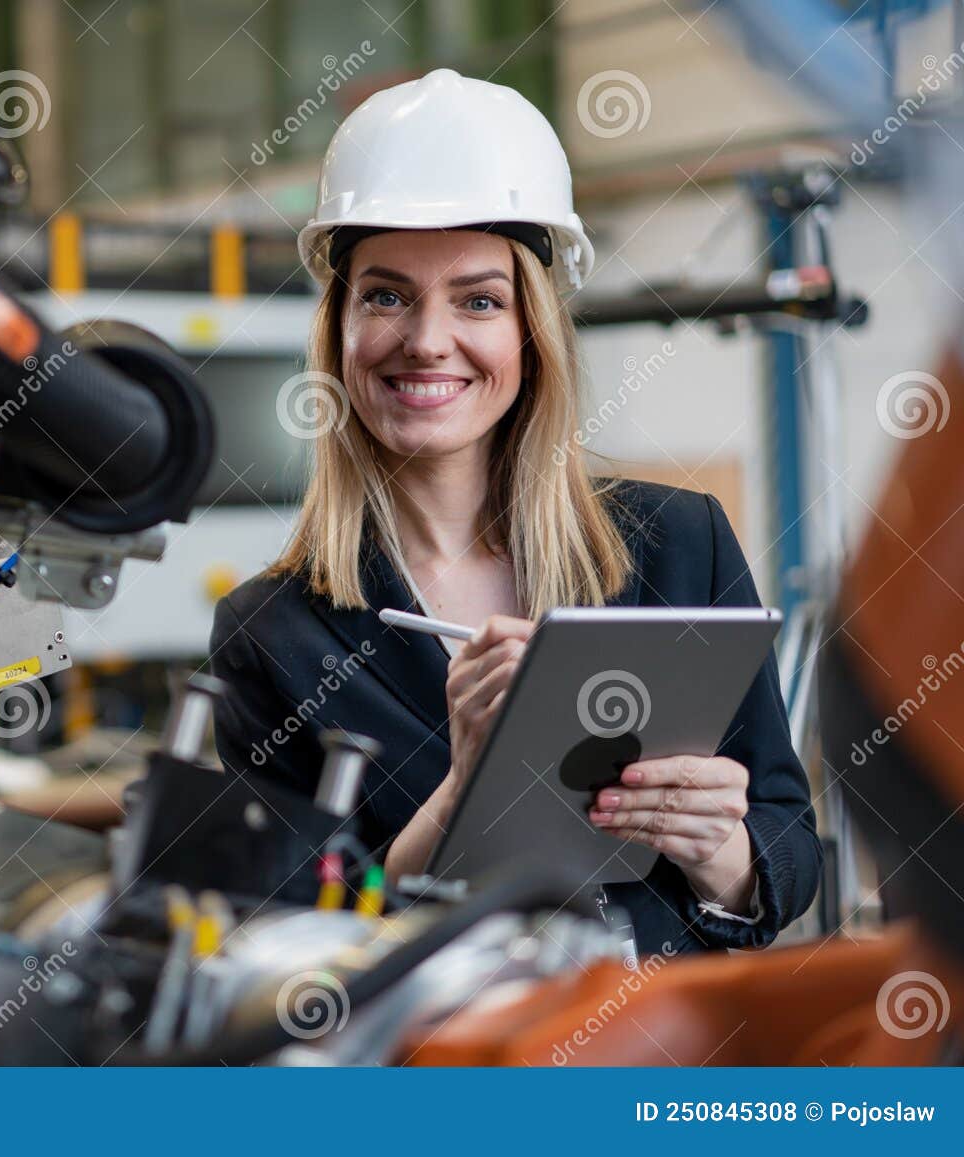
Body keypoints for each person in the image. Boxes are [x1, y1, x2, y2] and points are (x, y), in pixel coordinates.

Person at [208, 69, 820, 954]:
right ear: (338, 326)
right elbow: (276, 944)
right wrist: (463, 794)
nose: (426, 339)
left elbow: (790, 851)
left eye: (478, 300)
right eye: (384, 294)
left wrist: (718, 847)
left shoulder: (681, 547)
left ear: (530, 331)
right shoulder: (273, 633)